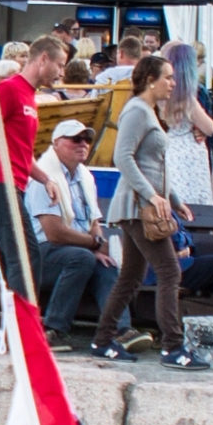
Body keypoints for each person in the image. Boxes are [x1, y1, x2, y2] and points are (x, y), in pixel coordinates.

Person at [0, 33, 66, 349]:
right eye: (59, 65)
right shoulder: (8, 90)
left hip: (10, 183)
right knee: (26, 253)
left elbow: (21, 151)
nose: (61, 72)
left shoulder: (29, 96)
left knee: (0, 258)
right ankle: (21, 329)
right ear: (43, 59)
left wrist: (45, 178)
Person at [99, 64, 195, 366]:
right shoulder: (137, 111)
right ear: (151, 80)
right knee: (169, 272)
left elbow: (154, 165)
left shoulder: (147, 111)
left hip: (142, 206)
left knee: (131, 276)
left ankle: (102, 339)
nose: (173, 82)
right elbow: (122, 157)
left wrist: (174, 200)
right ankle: (173, 347)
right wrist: (152, 195)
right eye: (168, 77)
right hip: (138, 208)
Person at [26, 122, 117, 346]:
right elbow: (54, 233)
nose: (83, 144)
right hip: (40, 253)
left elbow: (93, 220)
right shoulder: (44, 177)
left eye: (87, 139)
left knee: (106, 264)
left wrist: (98, 248)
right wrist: (94, 244)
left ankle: (119, 331)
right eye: (76, 139)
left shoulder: (85, 176)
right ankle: (54, 329)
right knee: (82, 258)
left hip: (76, 249)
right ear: (56, 143)